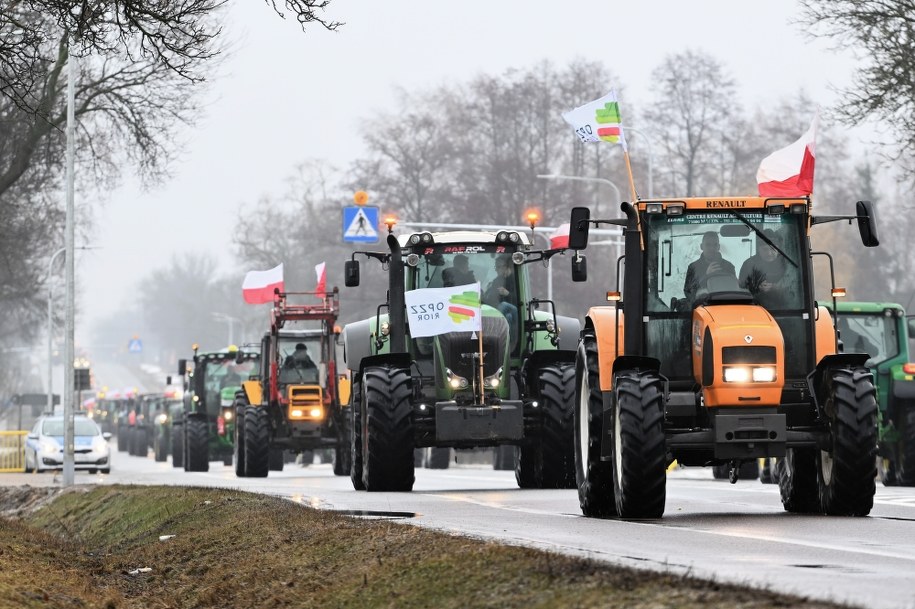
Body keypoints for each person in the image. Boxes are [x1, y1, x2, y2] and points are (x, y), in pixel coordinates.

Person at [683, 231, 736, 304]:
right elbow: (688, 293)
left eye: (715, 245)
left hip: (724, 308)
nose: (712, 248)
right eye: (708, 245)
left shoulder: (729, 266)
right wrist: (706, 276)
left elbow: (734, 292)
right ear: (701, 246)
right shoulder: (693, 267)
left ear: (719, 247)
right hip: (701, 309)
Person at [738, 229, 787, 309]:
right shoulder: (748, 264)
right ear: (758, 249)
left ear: (778, 249)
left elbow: (794, 287)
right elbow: (741, 287)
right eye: (765, 249)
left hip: (784, 307)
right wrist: (755, 286)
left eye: (772, 249)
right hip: (754, 307)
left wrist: (773, 287)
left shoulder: (786, 264)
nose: (769, 253)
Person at [483, 255, 518, 331]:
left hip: (517, 311)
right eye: (496, 267)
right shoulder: (496, 281)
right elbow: (491, 299)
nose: (496, 270)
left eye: (498, 267)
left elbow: (521, 300)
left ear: (506, 267)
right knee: (508, 317)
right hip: (505, 313)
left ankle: (494, 329)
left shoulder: (516, 279)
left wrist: (508, 294)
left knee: (503, 305)